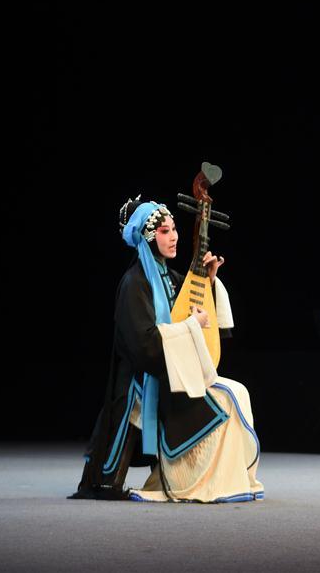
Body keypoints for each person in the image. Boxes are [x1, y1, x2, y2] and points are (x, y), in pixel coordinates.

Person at [70, 196, 263, 503]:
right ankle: (190, 481)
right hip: (147, 380)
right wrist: (189, 326)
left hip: (171, 371)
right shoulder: (135, 283)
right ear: (147, 236)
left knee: (238, 391)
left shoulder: (169, 277)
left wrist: (208, 282)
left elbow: (192, 309)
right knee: (227, 398)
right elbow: (144, 345)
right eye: (164, 231)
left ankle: (224, 479)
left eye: (174, 229)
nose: (173, 236)